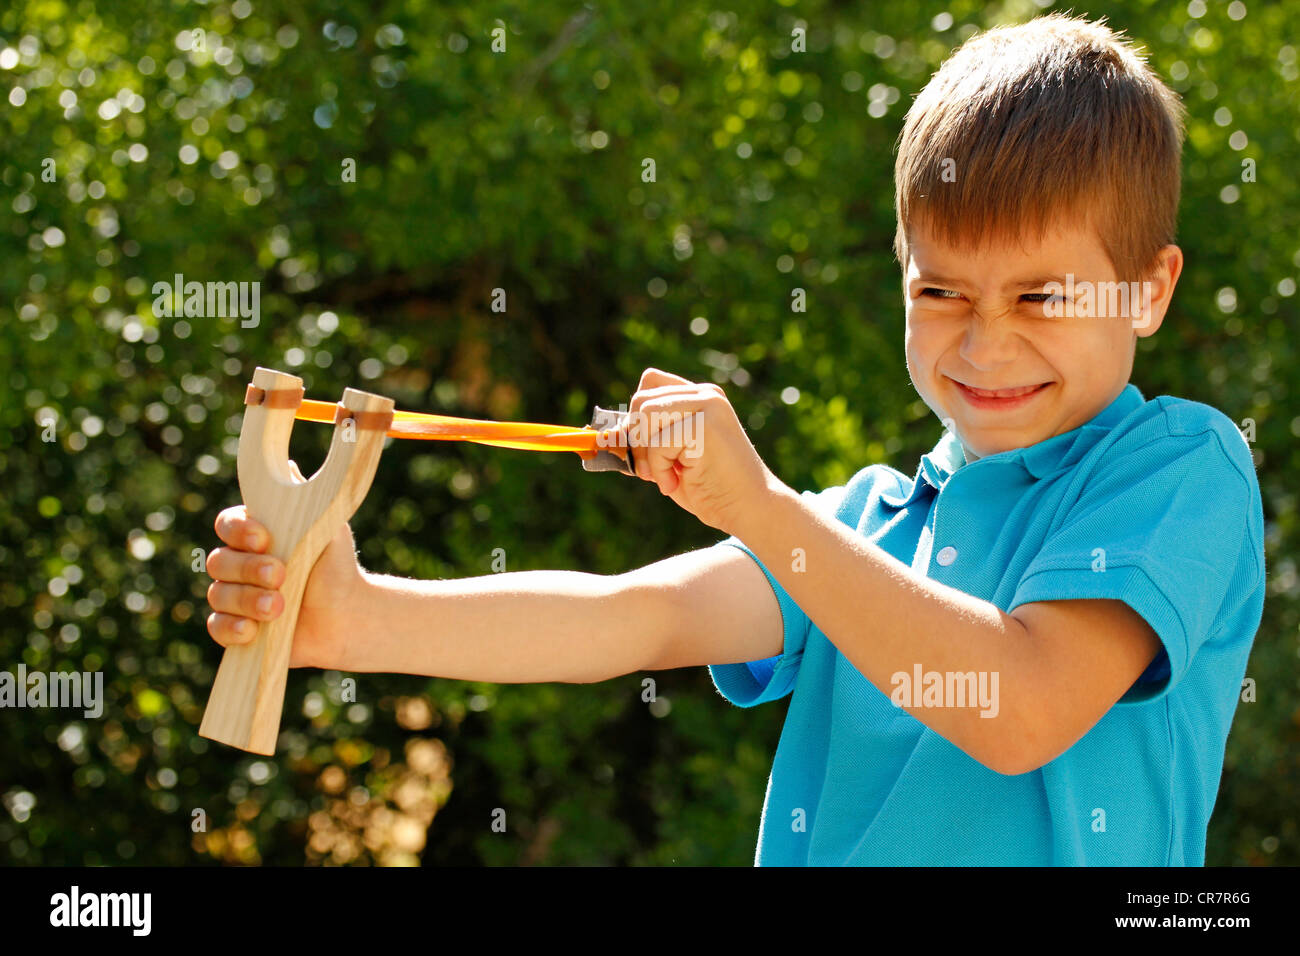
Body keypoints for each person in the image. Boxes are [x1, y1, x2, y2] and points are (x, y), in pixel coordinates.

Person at [205, 14, 1264, 865]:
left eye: (1040, 293)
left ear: (1146, 288)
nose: (984, 340)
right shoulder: (864, 525)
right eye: (938, 288)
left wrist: (756, 502)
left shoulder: (1178, 467)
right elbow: (637, 618)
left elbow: (1015, 706)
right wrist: (357, 616)